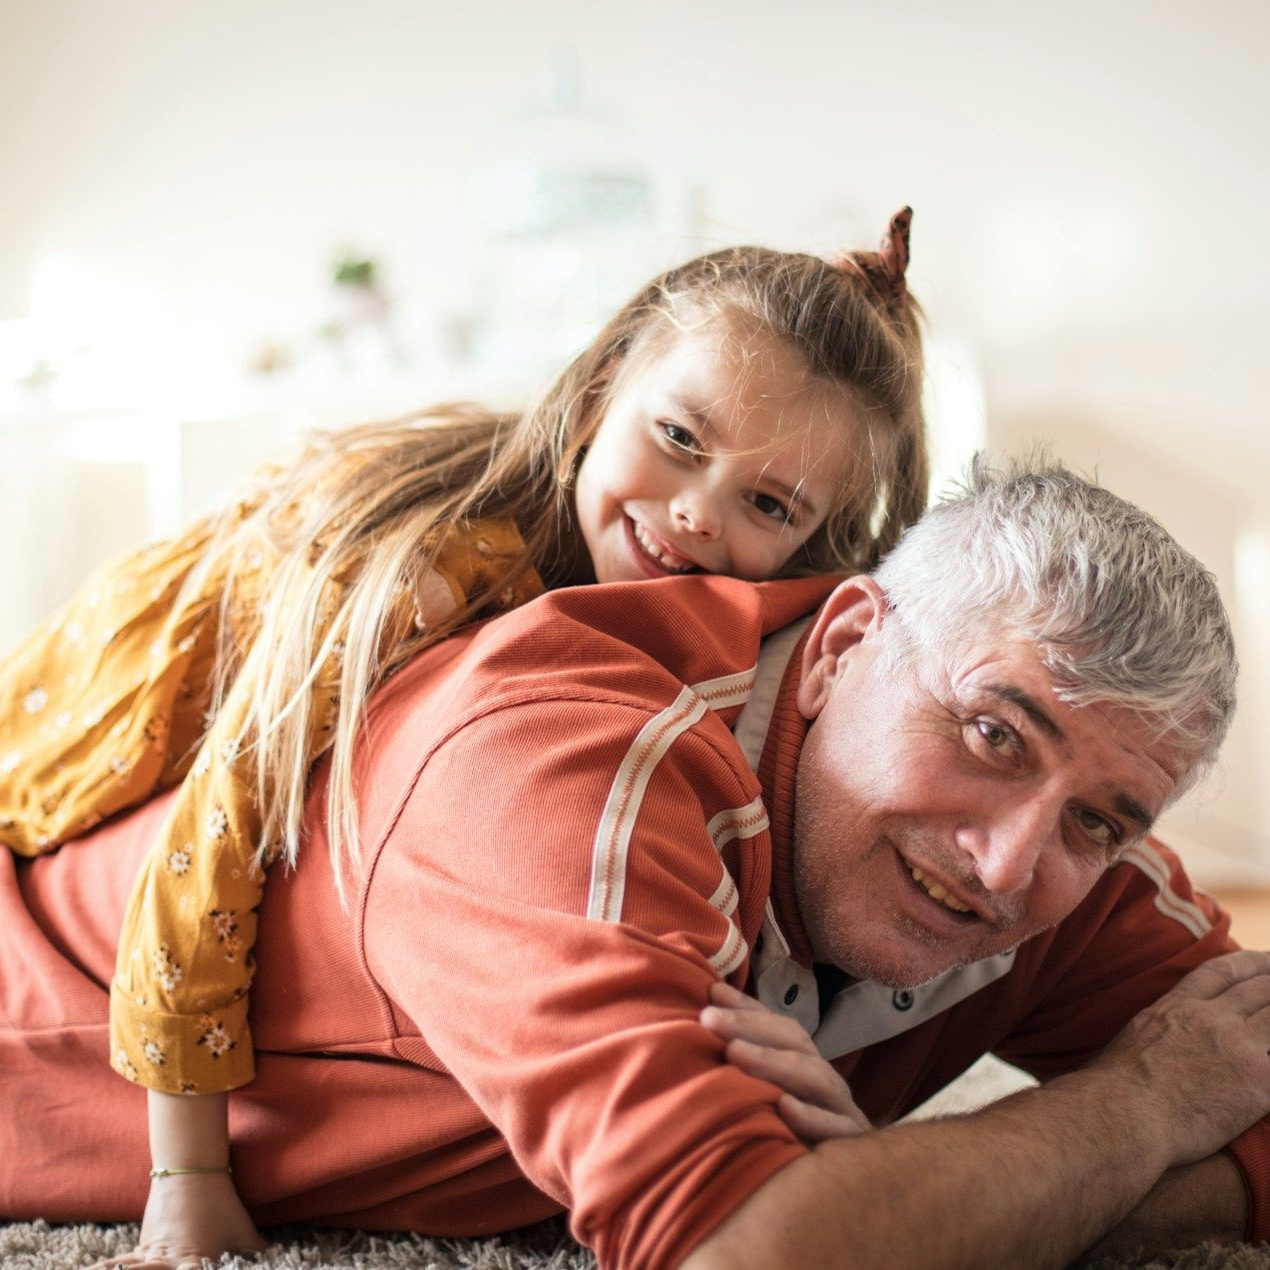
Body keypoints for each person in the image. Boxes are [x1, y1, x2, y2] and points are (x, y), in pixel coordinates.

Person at [3, 457, 1266, 1270]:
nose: (1006, 862)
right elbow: (738, 1251)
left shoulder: (1052, 845)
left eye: (1103, 819)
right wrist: (1137, 1111)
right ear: (840, 648)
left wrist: (912, 1196)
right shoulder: (552, 757)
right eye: (989, 734)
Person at [0, 212, 928, 1265]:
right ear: (598, 391)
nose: (696, 515)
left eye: (765, 501)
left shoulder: (743, 621)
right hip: (67, 758)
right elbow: (210, 837)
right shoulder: (437, 577)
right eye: (677, 439)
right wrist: (189, 1176)